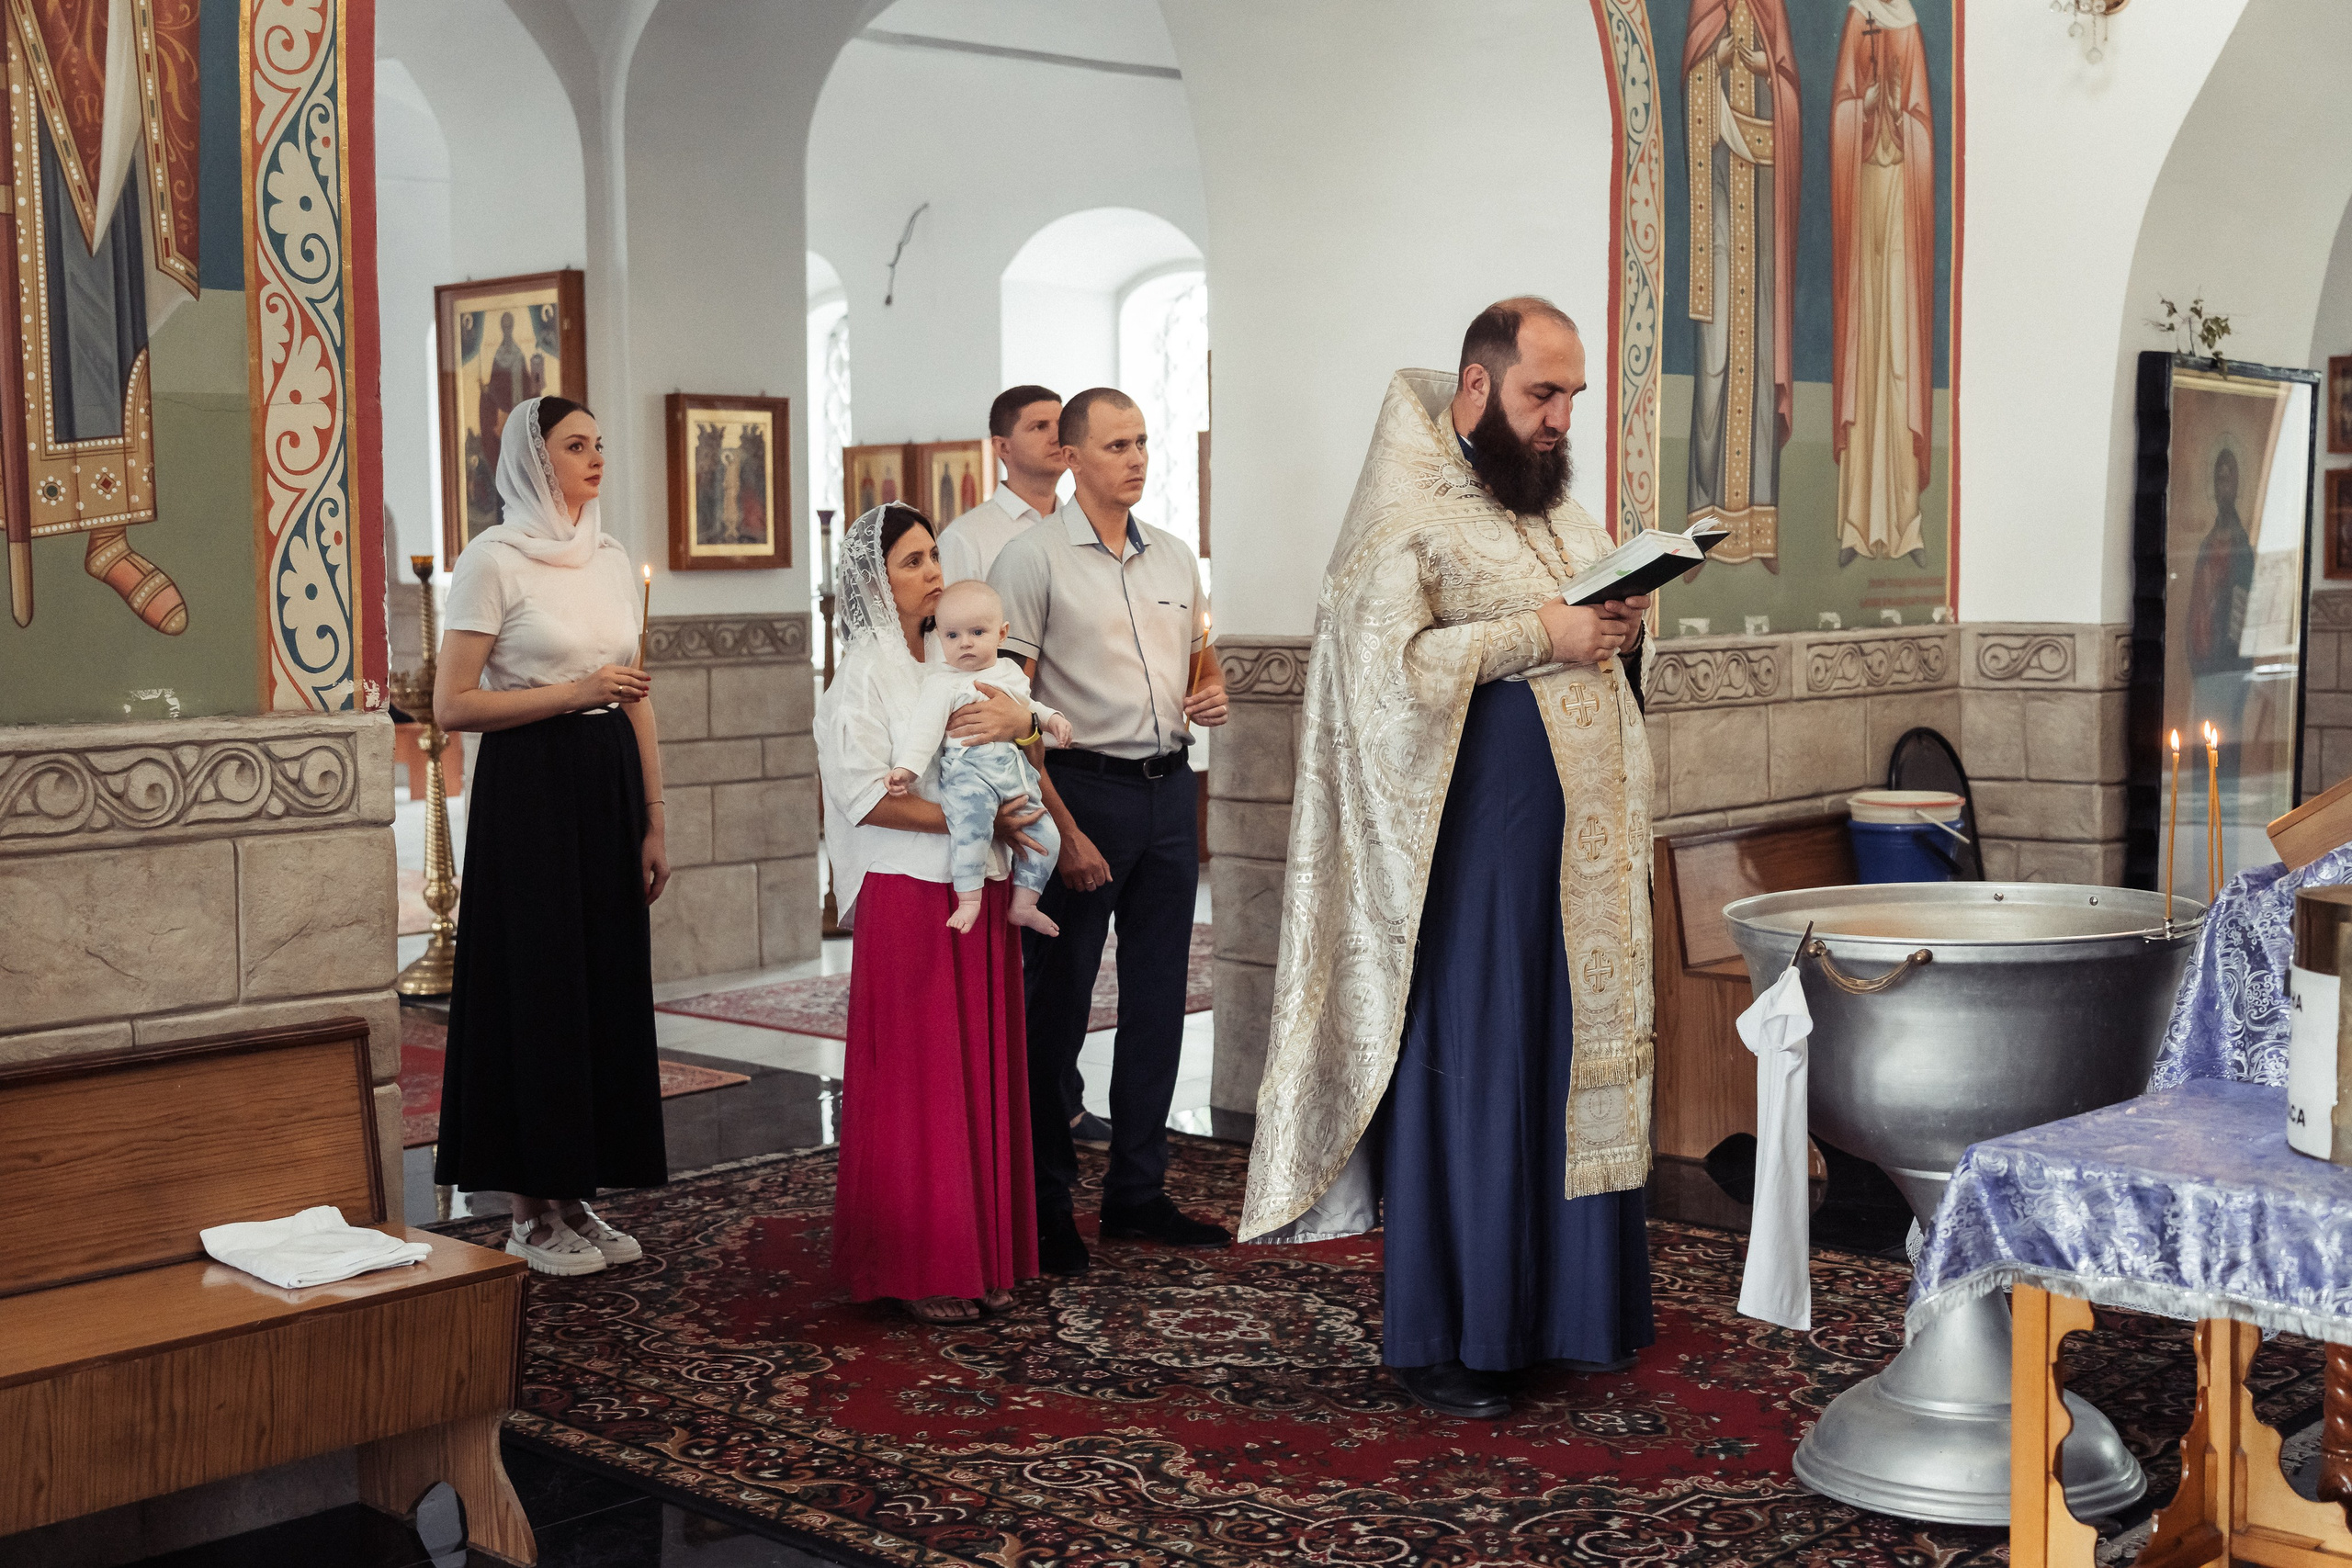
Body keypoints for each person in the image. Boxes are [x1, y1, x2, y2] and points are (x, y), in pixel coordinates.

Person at [1238, 299, 1658, 1420]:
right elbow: (1379, 676)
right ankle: (1453, 1337)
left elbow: (1581, 625)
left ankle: (1572, 1312)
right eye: (1541, 394)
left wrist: (1618, 621)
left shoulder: (1554, 509)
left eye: (1571, 396)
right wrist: (1544, 636)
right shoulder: (1403, 512)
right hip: (1469, 856)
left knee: (1564, 1057)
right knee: (1481, 1065)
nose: (1562, 418)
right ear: (1476, 389)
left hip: (1571, 861)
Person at [988, 388, 1229, 1276]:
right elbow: (1009, 713)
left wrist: (1215, 691)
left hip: (1171, 793)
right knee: (1056, 1015)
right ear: (1073, 457)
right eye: (1116, 444)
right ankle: (1045, 1206)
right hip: (1081, 795)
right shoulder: (1031, 559)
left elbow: (1202, 660)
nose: (1135, 458)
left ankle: (1137, 1194)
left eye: (1142, 443)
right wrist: (1065, 831)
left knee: (1160, 1003)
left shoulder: (1172, 557)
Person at [432, 394, 671, 1278]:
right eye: (576, 446)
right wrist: (573, 694)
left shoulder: (608, 557)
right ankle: (528, 1213)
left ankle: (576, 1194)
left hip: (606, 783)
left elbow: (635, 693)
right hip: (530, 792)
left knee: (599, 984)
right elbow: (454, 704)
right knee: (538, 988)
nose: (595, 458)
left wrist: (653, 817)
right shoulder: (493, 560)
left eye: (600, 443)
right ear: (535, 461)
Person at [816, 504, 1048, 1324]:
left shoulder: (950, 657)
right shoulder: (866, 674)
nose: (934, 573)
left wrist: (1020, 738)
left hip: (970, 882)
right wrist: (967, 816)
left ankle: (975, 1250)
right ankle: (918, 1265)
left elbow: (1011, 749)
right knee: (922, 1081)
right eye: (914, 561)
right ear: (878, 580)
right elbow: (866, 795)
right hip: (910, 892)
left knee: (973, 1067)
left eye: (933, 557)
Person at [941, 384, 1109, 1150]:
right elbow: (958, 649)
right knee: (1035, 953)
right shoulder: (974, 537)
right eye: (1035, 427)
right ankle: (1027, 1104)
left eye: (1057, 425)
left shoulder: (1086, 528)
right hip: (1011, 747)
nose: (1051, 437)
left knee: (1070, 950)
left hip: (1076, 744)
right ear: (1002, 447)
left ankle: (1063, 1093)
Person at [886, 578, 1071, 936]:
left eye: (977, 632)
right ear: (940, 639)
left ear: (1001, 634)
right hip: (968, 777)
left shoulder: (1009, 673)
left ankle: (1024, 904)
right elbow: (924, 732)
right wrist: (906, 770)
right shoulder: (942, 683)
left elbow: (1028, 707)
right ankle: (969, 900)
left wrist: (1053, 720)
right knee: (971, 829)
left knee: (1048, 835)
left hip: (1014, 778)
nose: (965, 643)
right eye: (952, 636)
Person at [937, 386, 1064, 586]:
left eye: (1061, 425)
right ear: (1003, 447)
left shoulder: (1079, 524)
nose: (1058, 437)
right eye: (1040, 426)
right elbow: (955, 616)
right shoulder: (965, 538)